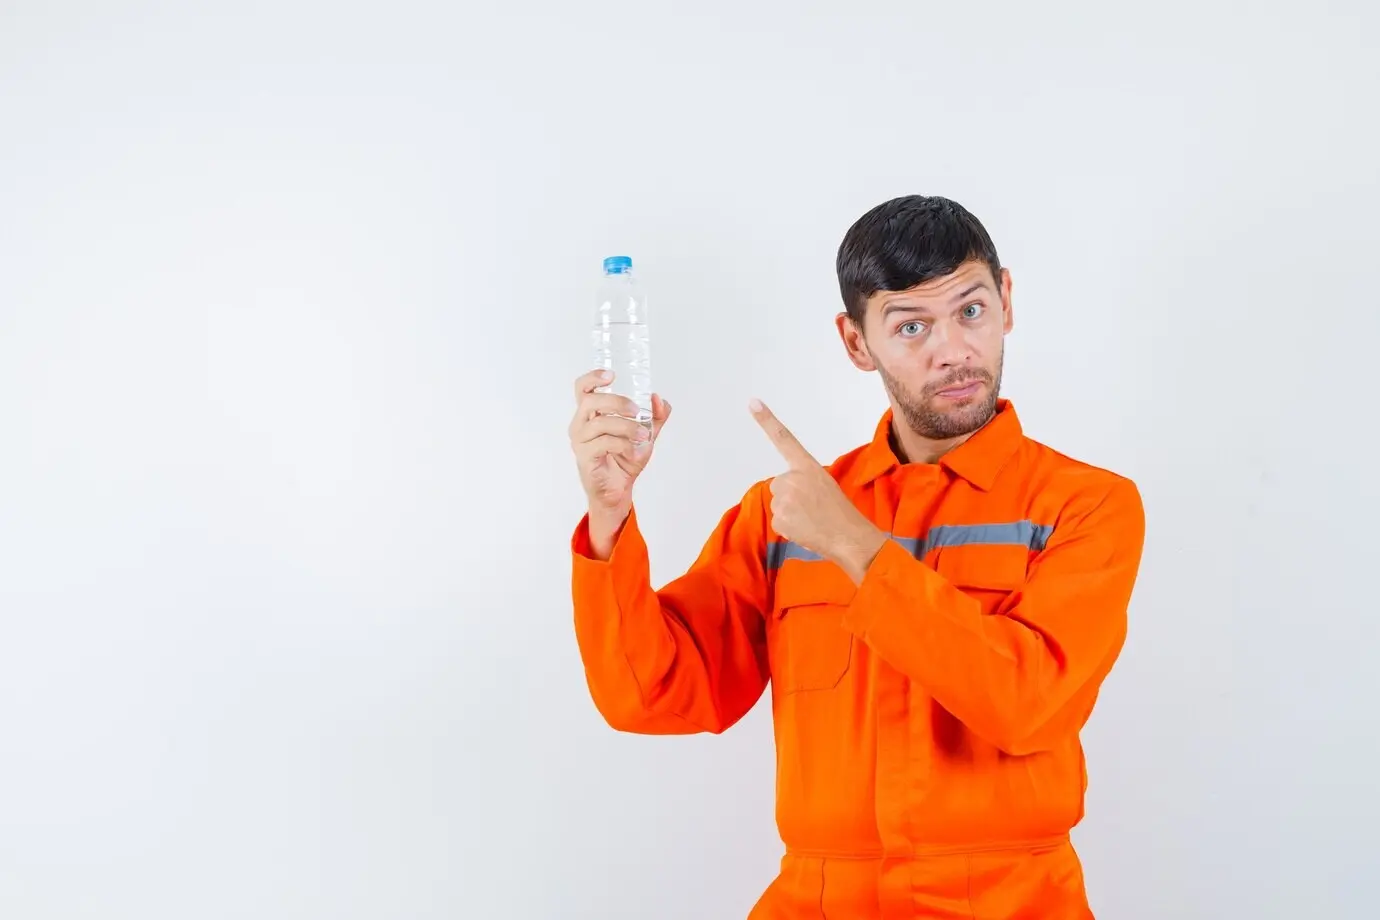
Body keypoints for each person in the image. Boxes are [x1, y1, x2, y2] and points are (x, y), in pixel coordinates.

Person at [565, 194, 1145, 919]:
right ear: (856, 342)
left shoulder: (1083, 506)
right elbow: (652, 695)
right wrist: (610, 517)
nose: (953, 351)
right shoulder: (783, 516)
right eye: (911, 326)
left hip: (1013, 901)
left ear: (1005, 300)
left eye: (970, 311)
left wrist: (854, 546)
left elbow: (1029, 705)